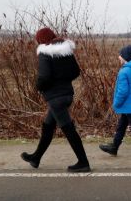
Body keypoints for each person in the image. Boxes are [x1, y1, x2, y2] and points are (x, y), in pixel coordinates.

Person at [21, 27, 91, 172]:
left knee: (68, 129)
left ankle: (83, 163)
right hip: (67, 95)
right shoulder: (66, 51)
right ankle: (36, 157)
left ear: (41, 40)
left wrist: (39, 87)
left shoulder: (45, 53)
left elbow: (44, 77)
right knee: (48, 126)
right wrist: (62, 80)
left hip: (55, 98)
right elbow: (75, 72)